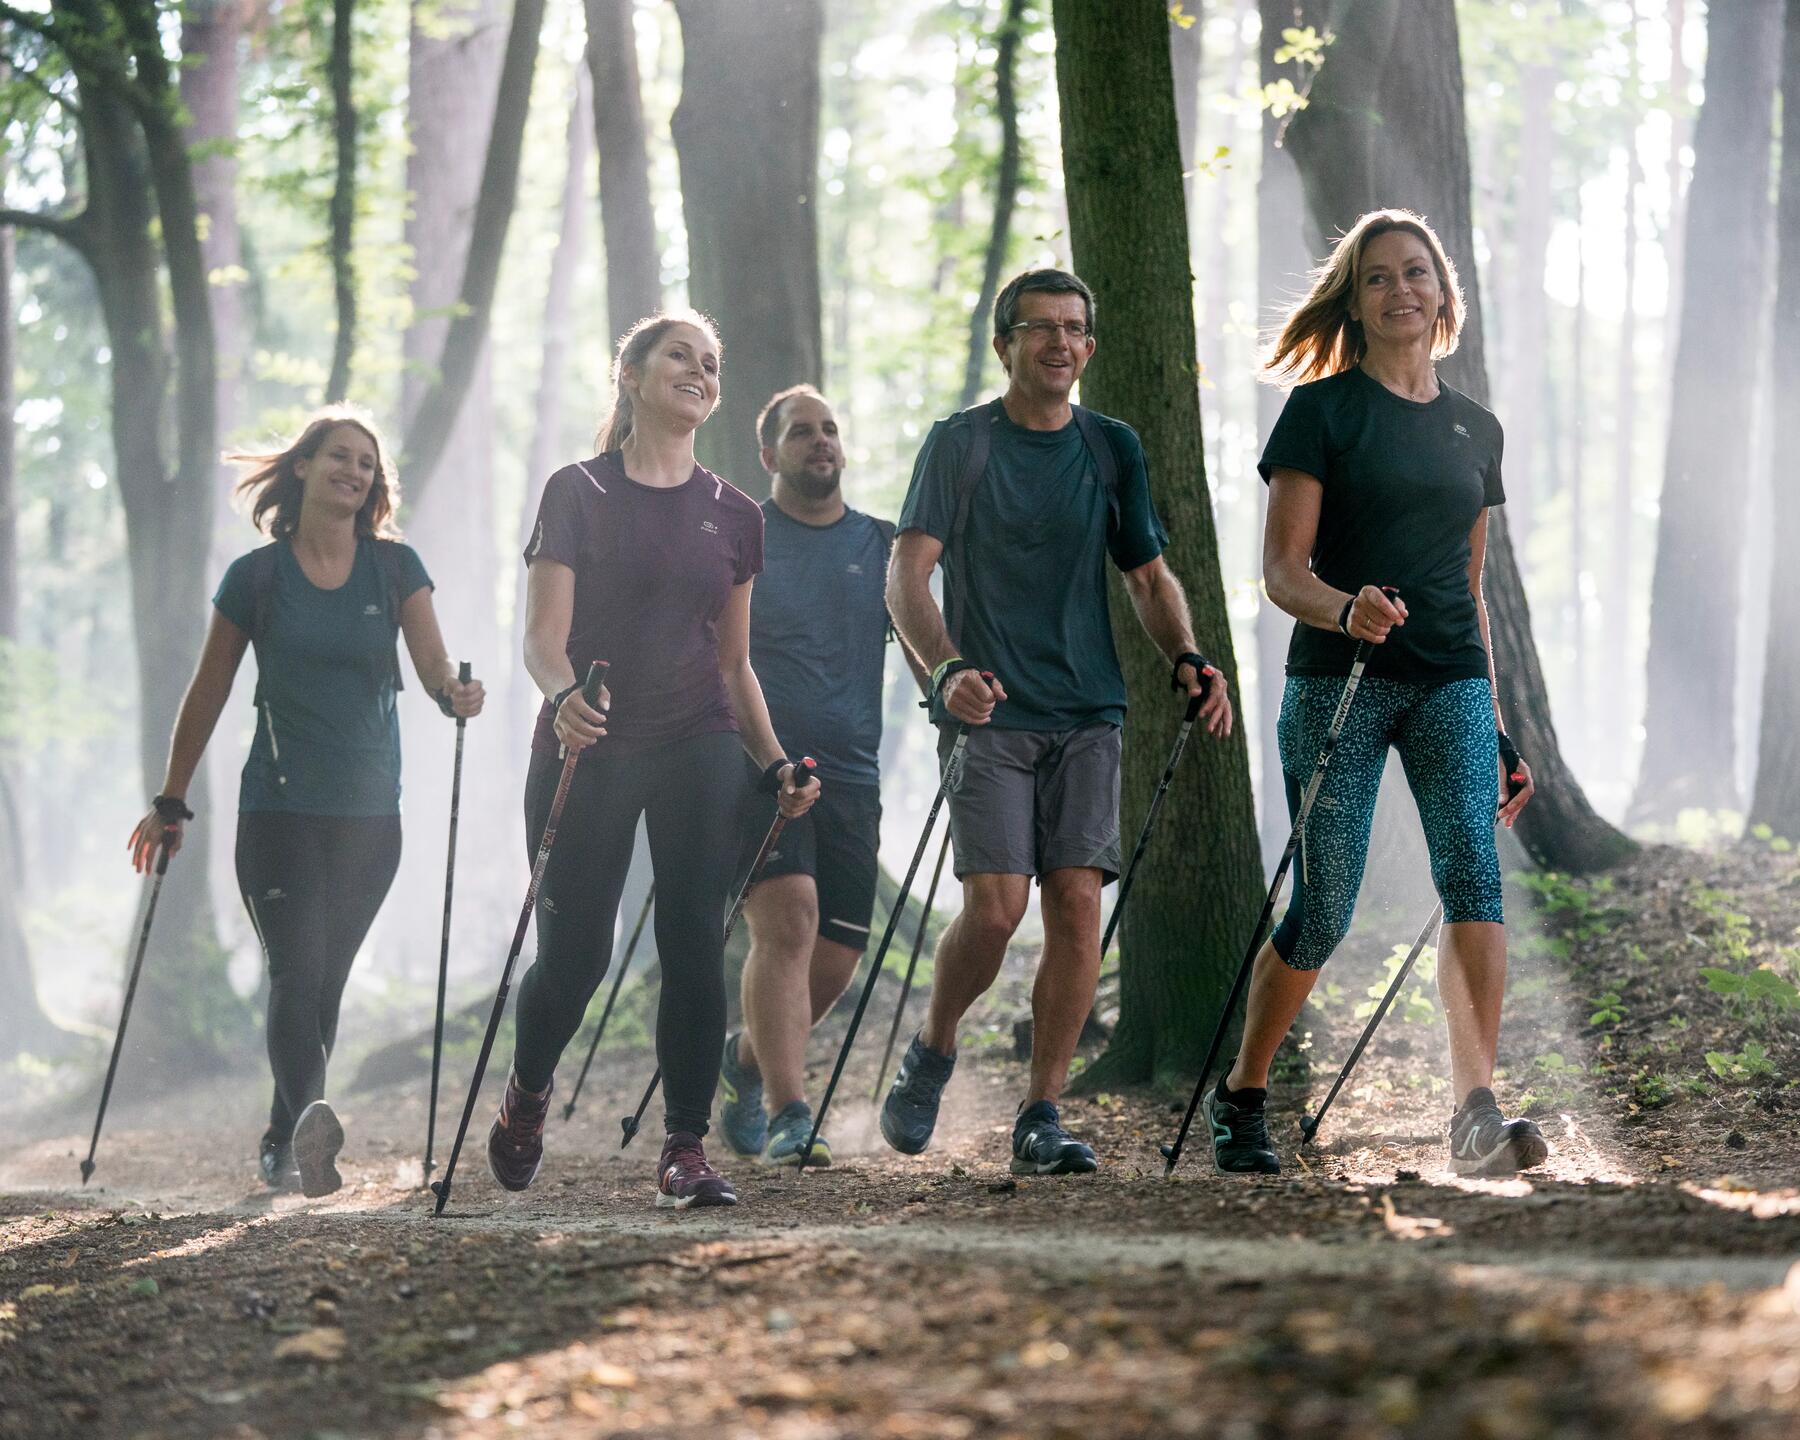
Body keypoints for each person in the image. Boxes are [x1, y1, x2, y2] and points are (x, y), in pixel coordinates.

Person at [1208, 207, 1544, 1179]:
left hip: (1447, 682)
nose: (1402, 289)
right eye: (1379, 278)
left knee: (1474, 884)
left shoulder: (1475, 429)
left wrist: (1499, 728)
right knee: (1326, 903)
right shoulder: (1322, 412)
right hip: (1339, 684)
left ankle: (1475, 1112)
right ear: (1353, 303)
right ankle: (1245, 1095)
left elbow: (1469, 588)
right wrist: (1343, 606)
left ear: (1443, 292)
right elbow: (1281, 571)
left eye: (1416, 273)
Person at [884, 268, 1234, 1176]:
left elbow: (1149, 578)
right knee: (996, 913)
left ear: (1089, 345)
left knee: (1077, 902)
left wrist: (1188, 659)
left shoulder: (1111, 447)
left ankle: (1041, 1110)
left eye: (1075, 328)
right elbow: (905, 576)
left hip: (1090, 709)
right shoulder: (960, 444)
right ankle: (935, 1041)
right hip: (990, 710)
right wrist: (947, 669)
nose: (1059, 343)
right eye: (1038, 327)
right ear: (1004, 345)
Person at [489, 310, 819, 1210]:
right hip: (590, 740)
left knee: (692, 940)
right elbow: (540, 639)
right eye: (681, 355)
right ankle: (527, 1091)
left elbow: (734, 663)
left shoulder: (736, 515)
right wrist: (564, 703)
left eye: (712, 363)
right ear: (629, 375)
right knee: (577, 957)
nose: (701, 371)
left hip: (698, 742)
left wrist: (776, 762)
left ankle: (684, 1148)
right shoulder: (577, 491)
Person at [129, 408, 486, 1198]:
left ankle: (282, 1136)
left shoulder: (394, 570)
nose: (354, 471)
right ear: (302, 467)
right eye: (338, 457)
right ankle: (310, 1121)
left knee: (324, 983)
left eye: (367, 463)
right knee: (296, 970)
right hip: (278, 814)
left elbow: (433, 672)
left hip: (369, 818)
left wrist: (458, 694)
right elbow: (208, 691)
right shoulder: (256, 578)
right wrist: (172, 800)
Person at [715, 385, 929, 1167]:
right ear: (769, 456)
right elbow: (716, 653)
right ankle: (789, 1113)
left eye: (830, 430)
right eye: (801, 433)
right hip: (759, 768)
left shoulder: (878, 543)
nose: (820, 442)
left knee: (836, 956)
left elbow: (916, 639)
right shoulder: (745, 539)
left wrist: (948, 695)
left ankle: (745, 1061)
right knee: (790, 922)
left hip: (853, 776)